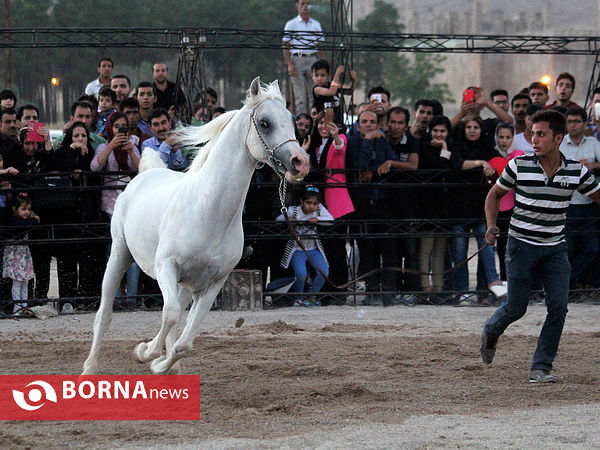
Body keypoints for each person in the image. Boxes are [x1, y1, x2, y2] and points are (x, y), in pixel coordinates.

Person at [481, 109, 600, 383]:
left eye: (541, 134)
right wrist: (490, 226)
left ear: (558, 138)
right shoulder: (518, 166)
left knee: (558, 308)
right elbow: (494, 195)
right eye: (533, 134)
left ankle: (541, 366)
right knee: (516, 308)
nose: (534, 139)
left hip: (555, 248)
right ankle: (491, 329)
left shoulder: (575, 171)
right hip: (521, 245)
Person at [450, 114, 506, 305]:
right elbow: (457, 164)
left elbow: (498, 169)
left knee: (487, 250)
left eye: (476, 127)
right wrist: (481, 163)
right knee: (459, 254)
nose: (472, 130)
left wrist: (489, 164)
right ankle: (462, 292)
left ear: (481, 130)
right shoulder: (456, 146)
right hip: (458, 208)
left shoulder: (488, 149)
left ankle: (489, 290)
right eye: (468, 127)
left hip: (481, 209)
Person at [347, 110, 399, 306]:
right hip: (363, 203)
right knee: (367, 250)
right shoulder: (352, 142)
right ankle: (371, 292)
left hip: (384, 201)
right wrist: (368, 140)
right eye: (365, 122)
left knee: (389, 249)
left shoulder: (383, 141)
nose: (369, 125)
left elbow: (391, 160)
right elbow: (359, 163)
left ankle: (388, 292)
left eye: (373, 122)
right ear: (358, 125)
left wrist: (387, 163)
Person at [91, 112, 141, 308]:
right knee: (114, 250)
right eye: (117, 126)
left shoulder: (132, 145)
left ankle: (131, 297)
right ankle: (116, 298)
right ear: (110, 128)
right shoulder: (104, 146)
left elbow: (141, 168)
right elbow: (95, 166)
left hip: (131, 200)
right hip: (111, 202)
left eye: (124, 127)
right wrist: (112, 146)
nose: (121, 130)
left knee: (134, 250)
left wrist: (130, 151)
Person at [304, 112, 353, 301]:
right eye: (320, 123)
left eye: (328, 124)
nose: (323, 127)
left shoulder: (339, 138)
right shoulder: (315, 145)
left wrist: (335, 136)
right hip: (322, 203)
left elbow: (340, 149)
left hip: (338, 203)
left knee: (338, 250)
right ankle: (327, 290)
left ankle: (339, 291)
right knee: (325, 251)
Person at [559, 107, 600, 289]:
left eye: (577, 121)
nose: (573, 125)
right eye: (570, 121)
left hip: (589, 203)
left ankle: (568, 283)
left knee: (591, 249)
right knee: (567, 249)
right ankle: (565, 286)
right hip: (568, 204)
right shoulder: (559, 144)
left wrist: (592, 165)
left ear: (585, 124)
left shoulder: (592, 143)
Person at [276, 185, 333, 307]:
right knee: (300, 274)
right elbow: (278, 219)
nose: (312, 206)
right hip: (297, 249)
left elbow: (330, 219)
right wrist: (288, 219)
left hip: (314, 248)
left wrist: (318, 219)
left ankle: (312, 296)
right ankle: (298, 298)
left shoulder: (319, 210)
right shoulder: (294, 210)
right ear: (302, 201)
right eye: (309, 203)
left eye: (315, 203)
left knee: (324, 272)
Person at [417, 115, 454, 294]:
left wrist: (446, 148)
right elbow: (441, 168)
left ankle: (438, 288)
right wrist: (444, 150)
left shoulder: (451, 148)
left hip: (444, 205)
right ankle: (425, 288)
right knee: (426, 248)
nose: (439, 134)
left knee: (440, 249)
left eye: (443, 131)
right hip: (427, 203)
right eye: (436, 131)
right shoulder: (423, 149)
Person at [487, 122, 524, 280]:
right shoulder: (491, 157)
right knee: (501, 250)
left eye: (508, 137)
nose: (504, 141)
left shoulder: (519, 155)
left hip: (516, 209)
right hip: (498, 209)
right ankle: (504, 282)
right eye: (500, 137)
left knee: (517, 250)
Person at [283, 0, 324, 115]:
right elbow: (285, 45)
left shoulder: (316, 24)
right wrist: (290, 63)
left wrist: (322, 63)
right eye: (303, 3)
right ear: (298, 6)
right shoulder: (291, 24)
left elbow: (320, 45)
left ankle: (314, 119)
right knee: (300, 96)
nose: (305, 6)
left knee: (314, 93)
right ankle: (302, 120)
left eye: (307, 3)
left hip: (313, 59)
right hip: (298, 59)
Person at [3, 193, 39, 315]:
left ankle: (24, 305)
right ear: (15, 209)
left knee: (25, 281)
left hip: (24, 255)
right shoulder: (14, 221)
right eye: (23, 209)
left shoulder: (25, 221)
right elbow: (24, 227)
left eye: (28, 209)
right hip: (15, 255)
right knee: (17, 282)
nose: (26, 212)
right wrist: (34, 219)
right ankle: (17, 306)